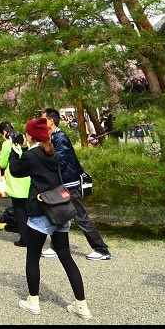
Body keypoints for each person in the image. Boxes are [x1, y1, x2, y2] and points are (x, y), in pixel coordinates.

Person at [10, 117, 93, 320]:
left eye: (27, 133)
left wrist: (15, 150)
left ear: (31, 135)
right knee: (66, 256)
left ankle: (33, 301)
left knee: (33, 257)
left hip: (41, 210)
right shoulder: (52, 151)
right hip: (60, 209)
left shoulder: (31, 155)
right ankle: (81, 305)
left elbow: (15, 170)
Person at [40, 108, 112, 261]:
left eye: (43, 119)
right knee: (60, 215)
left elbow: (61, 161)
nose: (41, 122)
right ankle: (56, 247)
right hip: (65, 183)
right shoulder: (54, 136)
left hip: (70, 184)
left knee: (80, 217)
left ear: (51, 121)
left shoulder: (59, 137)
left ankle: (101, 249)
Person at [0, 121, 30, 247]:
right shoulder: (23, 139)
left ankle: (25, 239)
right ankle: (34, 236)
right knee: (29, 211)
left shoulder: (6, 143)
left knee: (19, 212)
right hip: (28, 180)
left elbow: (3, 164)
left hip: (16, 182)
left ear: (3, 132)